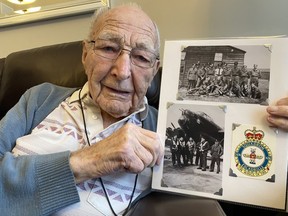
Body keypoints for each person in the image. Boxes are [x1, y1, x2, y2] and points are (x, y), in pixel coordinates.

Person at [0, 4, 164, 216]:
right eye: (108, 48)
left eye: (141, 57)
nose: (122, 72)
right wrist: (90, 160)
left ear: (153, 71)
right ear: (86, 54)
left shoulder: (163, 128)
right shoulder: (40, 99)